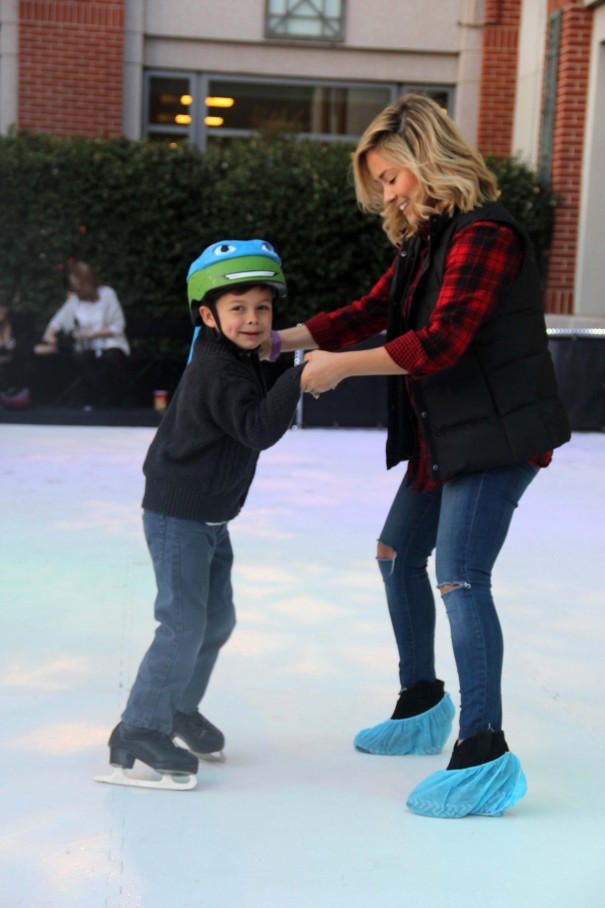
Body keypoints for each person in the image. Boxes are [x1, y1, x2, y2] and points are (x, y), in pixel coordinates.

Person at [264, 94, 571, 819]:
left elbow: (440, 343)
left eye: (391, 177)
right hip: (450, 431)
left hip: (496, 436)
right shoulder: (425, 240)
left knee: (461, 576)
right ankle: (421, 703)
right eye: (379, 182)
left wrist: (339, 368)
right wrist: (281, 339)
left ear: (426, 159)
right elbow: (373, 310)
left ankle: (482, 751)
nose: (386, 193)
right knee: (396, 555)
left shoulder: (485, 236)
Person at [97, 239, 305, 790]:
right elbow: (259, 428)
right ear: (209, 316)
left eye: (262, 307)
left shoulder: (242, 360)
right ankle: (139, 727)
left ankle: (178, 707)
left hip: (211, 517)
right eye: (238, 308)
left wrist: (285, 369)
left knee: (215, 620)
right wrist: (299, 378)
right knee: (184, 623)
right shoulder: (219, 371)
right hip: (179, 515)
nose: (253, 319)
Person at [34, 262, 131, 407]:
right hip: (87, 348)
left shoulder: (108, 294)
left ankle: (117, 398)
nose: (76, 290)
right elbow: (57, 321)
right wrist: (50, 335)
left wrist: (92, 334)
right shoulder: (75, 300)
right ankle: (100, 398)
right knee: (81, 357)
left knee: (111, 357)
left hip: (111, 344)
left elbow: (118, 326)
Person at [0, 295, 31, 409]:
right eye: (1, 308)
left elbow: (8, 344)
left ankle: (11, 395)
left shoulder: (6, 323)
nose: (3, 310)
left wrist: (9, 352)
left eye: (5, 308)